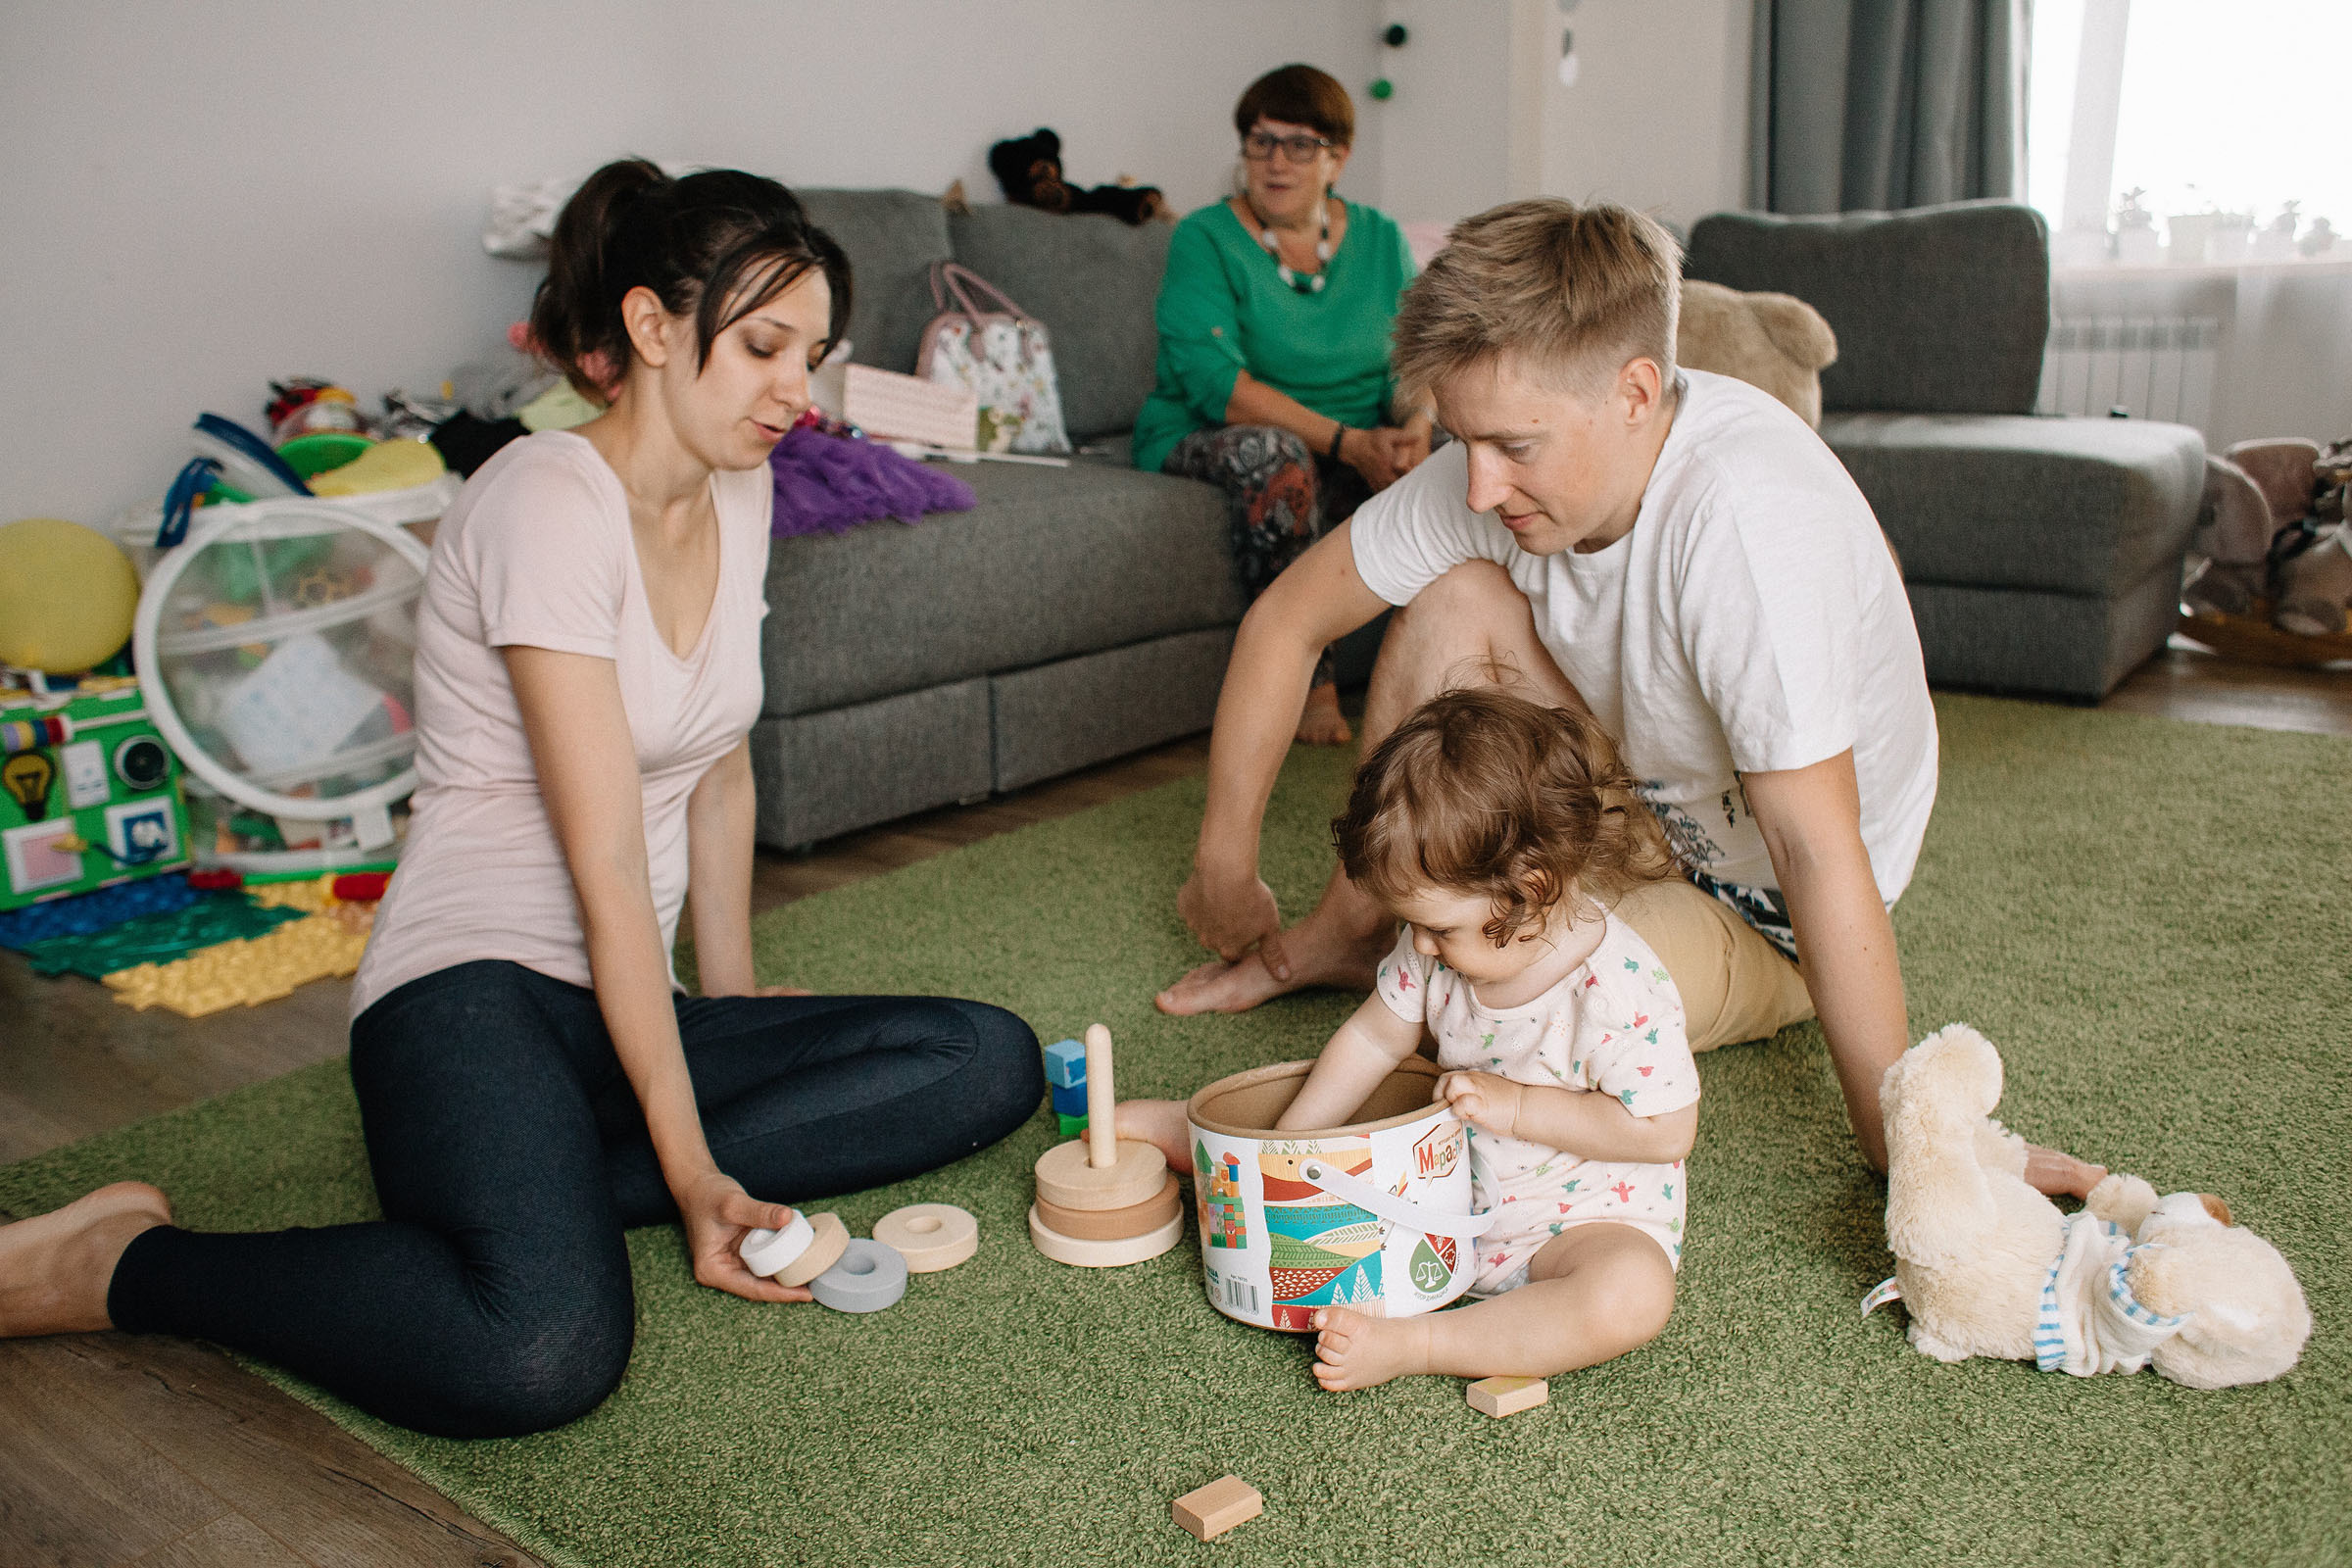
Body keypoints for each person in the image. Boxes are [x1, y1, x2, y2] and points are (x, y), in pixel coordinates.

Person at [0, 161, 1043, 1438]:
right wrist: (698, 1167)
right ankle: (117, 1264)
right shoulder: (548, 500)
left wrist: (723, 988)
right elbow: (603, 866)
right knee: (538, 1349)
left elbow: (717, 756)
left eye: (814, 354)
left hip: (626, 1011)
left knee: (981, 1057)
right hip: (470, 988)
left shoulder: (743, 482)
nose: (799, 392)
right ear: (655, 328)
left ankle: (522, 1190)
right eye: (767, 346)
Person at [1153, 197, 2105, 1196]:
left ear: (1637, 392)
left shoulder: (1748, 524)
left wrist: (1907, 1148)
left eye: (1514, 447)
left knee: (1513, 1006)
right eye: (1459, 438)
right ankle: (1348, 931)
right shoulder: (1498, 463)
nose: (1477, 485)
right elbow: (1286, 622)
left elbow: (1816, 848)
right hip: (1645, 793)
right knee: (1452, 598)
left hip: (1758, 903)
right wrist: (1224, 865)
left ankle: (1278, 1092)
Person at [1127, 687, 1698, 1390]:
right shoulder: (1438, 949)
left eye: (1440, 928)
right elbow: (1372, 1040)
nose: (1419, 947)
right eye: (1413, 925)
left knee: (1630, 1295)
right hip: (1438, 1190)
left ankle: (1421, 1343)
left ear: (1534, 888)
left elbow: (1665, 1132)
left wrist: (1517, 1108)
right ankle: (1216, 1145)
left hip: (1576, 1228)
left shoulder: (1616, 991)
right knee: (1327, 1153)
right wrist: (1292, 1141)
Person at [1132, 63, 1434, 747]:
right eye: (1261, 141)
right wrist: (1350, 444)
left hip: (1353, 436)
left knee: (1466, 459)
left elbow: (1416, 361)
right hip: (1212, 431)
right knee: (1276, 456)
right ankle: (1311, 688)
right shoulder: (1205, 238)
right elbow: (1217, 384)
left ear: (1338, 157)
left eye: (1300, 144)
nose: (1276, 161)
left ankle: (1440, 690)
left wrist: (1416, 427)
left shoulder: (1381, 239)